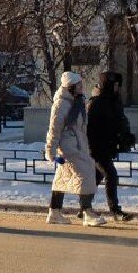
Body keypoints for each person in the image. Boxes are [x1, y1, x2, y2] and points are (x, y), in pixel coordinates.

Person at [45, 71, 106, 227]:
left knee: (61, 179)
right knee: (87, 174)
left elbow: (81, 128)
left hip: (78, 145)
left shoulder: (77, 101)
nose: (81, 87)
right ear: (71, 86)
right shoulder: (61, 104)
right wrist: (50, 151)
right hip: (68, 147)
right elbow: (54, 129)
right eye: (78, 85)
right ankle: (87, 213)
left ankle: (54, 212)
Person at [87, 71, 134, 223]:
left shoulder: (114, 100)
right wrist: (91, 150)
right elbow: (88, 129)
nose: (118, 88)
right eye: (115, 85)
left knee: (96, 177)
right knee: (110, 174)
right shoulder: (96, 102)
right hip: (97, 148)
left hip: (108, 147)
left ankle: (85, 208)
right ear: (107, 85)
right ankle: (115, 210)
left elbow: (120, 121)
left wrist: (126, 137)